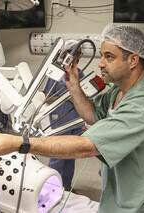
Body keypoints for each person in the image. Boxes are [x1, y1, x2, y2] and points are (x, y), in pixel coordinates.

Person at [0, 24, 144, 213]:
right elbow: (92, 115)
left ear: (133, 60)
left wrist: (20, 143)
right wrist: (73, 84)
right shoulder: (120, 90)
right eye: (101, 56)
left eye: (109, 57)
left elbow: (88, 146)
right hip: (123, 195)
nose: (101, 64)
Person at [42, 39, 84, 191]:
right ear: (67, 54)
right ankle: (53, 188)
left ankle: (67, 186)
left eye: (79, 56)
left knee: (71, 155)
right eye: (75, 55)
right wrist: (68, 96)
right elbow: (46, 97)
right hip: (59, 118)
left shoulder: (80, 73)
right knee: (58, 156)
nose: (78, 59)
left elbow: (85, 96)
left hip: (75, 119)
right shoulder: (55, 73)